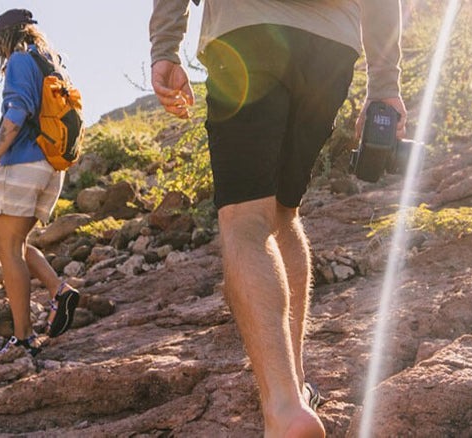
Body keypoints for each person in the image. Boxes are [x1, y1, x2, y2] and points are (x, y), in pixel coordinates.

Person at [150, 1, 406, 436]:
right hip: (331, 46)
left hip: (247, 32)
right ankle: (297, 385)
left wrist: (165, 47)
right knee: (284, 213)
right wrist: (384, 83)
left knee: (245, 220)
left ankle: (284, 407)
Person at [0, 8, 82, 357]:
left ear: (6, 38)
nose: (1, 53)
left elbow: (17, 111)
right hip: (51, 165)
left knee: (7, 249)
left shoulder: (20, 60)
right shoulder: (52, 62)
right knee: (17, 243)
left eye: (0, 46)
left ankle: (23, 337)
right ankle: (59, 290)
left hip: (22, 162)